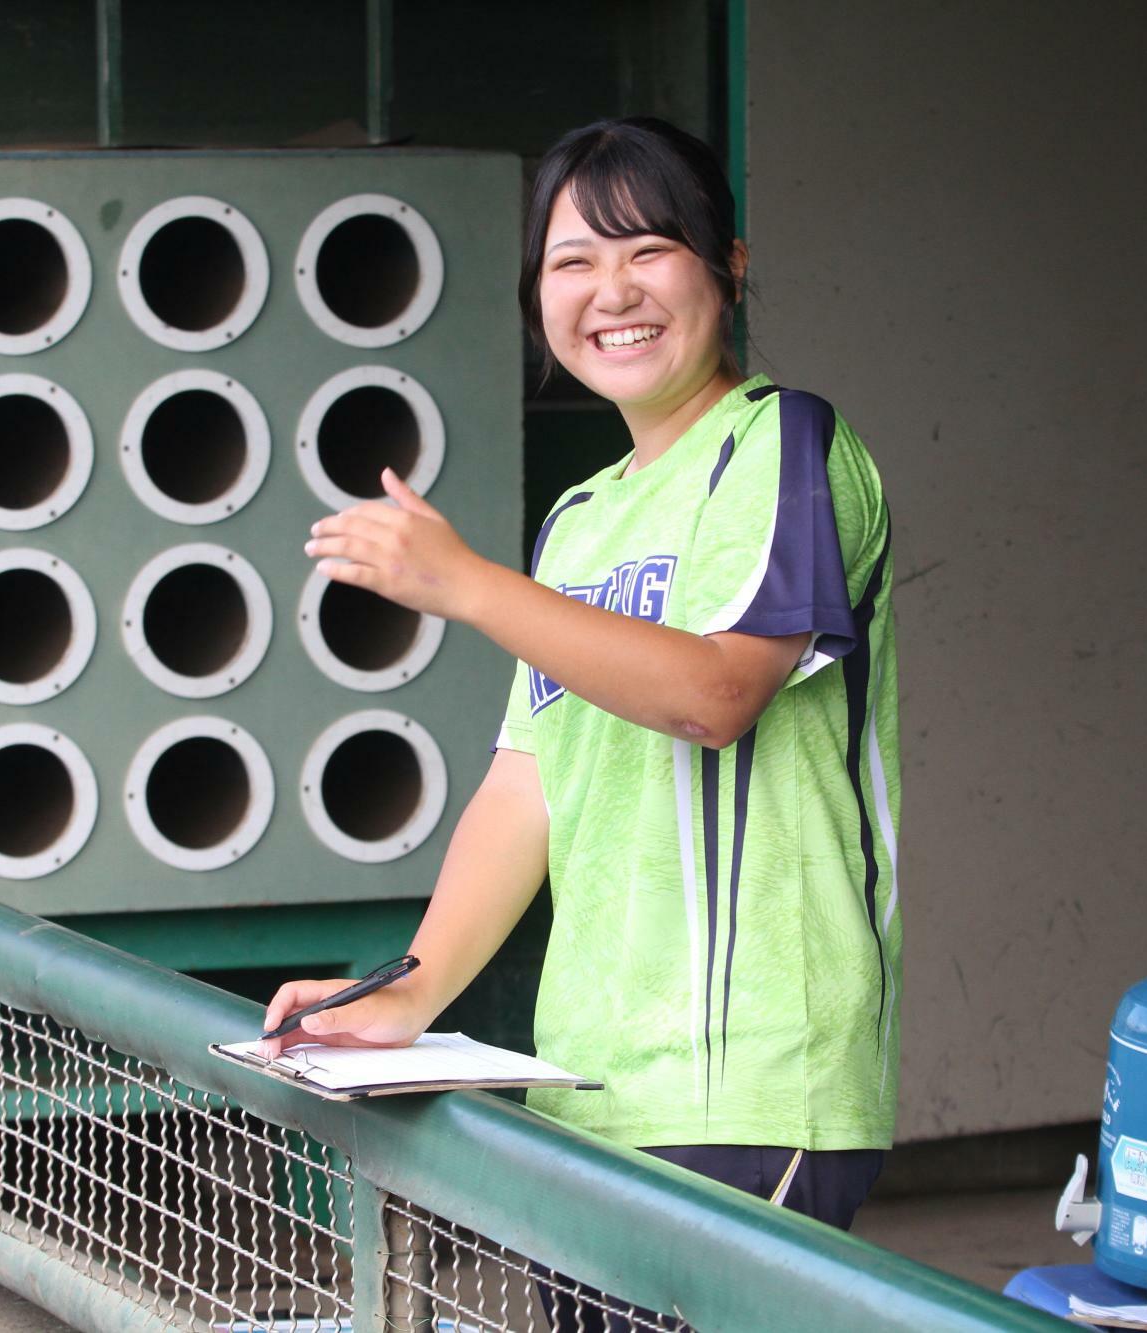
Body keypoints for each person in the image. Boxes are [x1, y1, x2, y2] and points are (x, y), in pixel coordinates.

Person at [264, 116, 901, 1240]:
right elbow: (526, 790)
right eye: (572, 262)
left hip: (748, 1080)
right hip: (589, 1086)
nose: (611, 290)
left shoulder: (781, 445)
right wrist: (405, 989)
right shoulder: (579, 521)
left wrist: (466, 585)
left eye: (647, 249)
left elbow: (715, 694)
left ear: (729, 268)